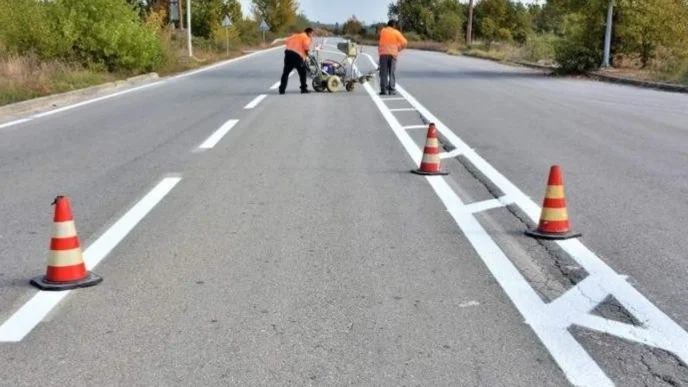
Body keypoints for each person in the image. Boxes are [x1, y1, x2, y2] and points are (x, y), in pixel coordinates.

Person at [279, 27, 314, 95]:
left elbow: (287, 41)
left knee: (285, 73)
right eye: (312, 34)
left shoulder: (294, 36)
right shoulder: (306, 37)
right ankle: (303, 89)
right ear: (309, 33)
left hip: (288, 54)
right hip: (297, 56)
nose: (312, 35)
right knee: (303, 72)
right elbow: (306, 46)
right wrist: (307, 55)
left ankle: (281, 90)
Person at [377, 20, 407, 96]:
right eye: (395, 25)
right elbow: (404, 43)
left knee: (383, 72)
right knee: (391, 73)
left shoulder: (383, 31)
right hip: (393, 54)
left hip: (383, 54)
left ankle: (383, 90)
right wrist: (399, 49)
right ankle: (392, 90)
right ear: (393, 25)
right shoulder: (396, 32)